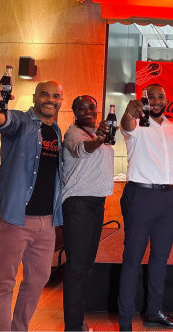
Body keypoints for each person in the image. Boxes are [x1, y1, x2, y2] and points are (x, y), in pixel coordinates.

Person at [0, 80, 64, 331]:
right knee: (4, 283)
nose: (50, 100)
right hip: (13, 218)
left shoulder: (56, 131)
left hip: (46, 222)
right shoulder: (21, 121)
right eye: (44, 95)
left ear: (61, 101)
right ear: (35, 97)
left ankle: (19, 328)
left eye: (56, 96)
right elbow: (1, 120)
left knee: (38, 278)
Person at [118, 83, 173, 331]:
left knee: (160, 258)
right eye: (151, 97)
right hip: (141, 196)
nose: (156, 101)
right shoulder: (136, 124)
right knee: (132, 259)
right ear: (143, 100)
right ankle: (125, 322)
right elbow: (126, 125)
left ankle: (153, 312)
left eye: (160, 97)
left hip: (168, 199)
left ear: (166, 100)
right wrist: (129, 111)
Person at [61, 95, 114, 331]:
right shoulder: (73, 133)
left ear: (97, 108)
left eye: (91, 107)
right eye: (81, 108)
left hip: (95, 203)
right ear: (74, 111)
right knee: (76, 267)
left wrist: (101, 136)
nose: (87, 111)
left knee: (86, 265)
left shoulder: (99, 133)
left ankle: (78, 321)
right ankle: (72, 326)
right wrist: (99, 139)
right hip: (78, 204)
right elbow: (83, 150)